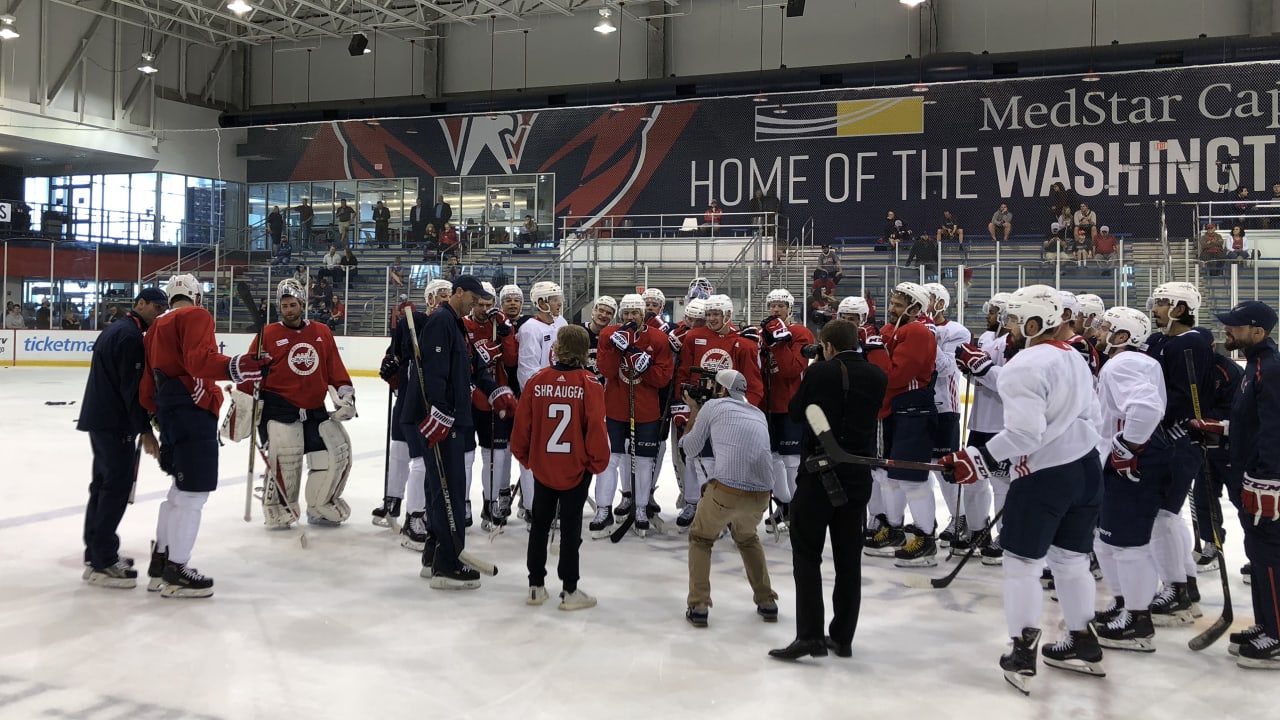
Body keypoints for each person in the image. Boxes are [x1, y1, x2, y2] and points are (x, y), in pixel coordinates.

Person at [940, 284, 1104, 694]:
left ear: (1034, 323)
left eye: (1013, 319)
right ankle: (1083, 641)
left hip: (1045, 478)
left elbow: (1025, 433)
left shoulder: (1024, 365)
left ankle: (1022, 652)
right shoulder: (1075, 357)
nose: (1007, 326)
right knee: (1070, 561)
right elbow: (1093, 418)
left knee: (1021, 566)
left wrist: (978, 457)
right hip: (1086, 472)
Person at [140, 274, 269, 598]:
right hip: (193, 412)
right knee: (193, 494)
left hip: (168, 414)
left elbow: (146, 384)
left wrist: (156, 416)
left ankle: (161, 563)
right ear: (196, 296)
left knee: (178, 491)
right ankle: (177, 570)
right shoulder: (196, 315)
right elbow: (199, 362)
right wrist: (243, 366)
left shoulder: (155, 327)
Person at [769, 320, 888, 659]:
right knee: (849, 561)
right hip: (857, 476)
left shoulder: (820, 373)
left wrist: (818, 368)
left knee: (807, 556)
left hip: (819, 475)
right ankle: (843, 637)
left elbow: (798, 411)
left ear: (828, 346)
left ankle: (810, 636)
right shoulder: (877, 376)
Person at [401, 276, 514, 589]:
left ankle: (433, 555)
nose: (476, 304)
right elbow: (434, 371)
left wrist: (496, 390)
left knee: (441, 488)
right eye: (473, 298)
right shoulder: (441, 321)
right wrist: (440, 410)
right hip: (443, 420)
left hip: (451, 418)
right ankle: (448, 565)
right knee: (448, 490)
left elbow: (473, 366)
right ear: (459, 292)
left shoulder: (456, 323)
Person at [1192, 300, 1280, 669]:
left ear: (1257, 332)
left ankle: (1276, 636)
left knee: (1271, 557)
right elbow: (1253, 422)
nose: (1228, 330)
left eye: (1236, 326)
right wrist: (1223, 429)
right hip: (1250, 473)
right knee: (1258, 556)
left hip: (1264, 481)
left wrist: (1268, 481)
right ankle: (1266, 624)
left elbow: (1275, 430)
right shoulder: (1255, 365)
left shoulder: (1271, 369)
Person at [237, 279, 356, 528]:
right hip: (279, 410)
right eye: (284, 305)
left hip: (315, 410)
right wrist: (243, 408)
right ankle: (278, 506)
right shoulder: (267, 335)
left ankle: (321, 504)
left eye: (293, 304)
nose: (288, 310)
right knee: (287, 458)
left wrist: (346, 396)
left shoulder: (322, 332)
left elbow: (335, 369)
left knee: (337, 453)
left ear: (302, 304)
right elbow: (250, 374)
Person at [512, 324, 610, 611]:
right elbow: (595, 429)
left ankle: (535, 586)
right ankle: (569, 590)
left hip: (543, 468)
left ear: (556, 348)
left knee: (539, 526)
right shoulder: (590, 383)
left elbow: (522, 429)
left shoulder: (536, 380)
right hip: (576, 469)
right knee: (570, 528)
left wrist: (528, 459)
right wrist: (596, 464)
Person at [76, 288, 168, 588]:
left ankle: (96, 552)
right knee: (115, 488)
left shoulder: (119, 329)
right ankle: (103, 561)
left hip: (101, 420)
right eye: (156, 307)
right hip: (114, 424)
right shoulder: (129, 337)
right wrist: (145, 430)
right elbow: (131, 391)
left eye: (163, 308)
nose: (160, 313)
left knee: (102, 486)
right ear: (140, 304)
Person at [1088, 306, 1166, 652]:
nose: (1098, 331)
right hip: (1128, 459)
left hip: (1131, 463)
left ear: (1123, 337)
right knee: (1107, 541)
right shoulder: (1133, 362)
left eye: (1106, 328)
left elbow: (1147, 408)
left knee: (1128, 545)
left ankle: (1138, 620)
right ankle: (1124, 604)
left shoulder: (1123, 363)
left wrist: (1125, 449)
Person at [676, 368, 778, 628]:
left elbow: (689, 448)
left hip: (727, 491)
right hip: (762, 495)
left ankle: (699, 604)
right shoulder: (758, 413)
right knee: (747, 537)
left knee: (700, 537)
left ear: (721, 389)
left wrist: (694, 412)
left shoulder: (713, 406)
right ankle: (767, 600)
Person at [1143, 281, 1215, 625]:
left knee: (1162, 516)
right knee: (1167, 515)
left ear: (1181, 309)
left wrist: (1173, 426)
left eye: (1162, 303)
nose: (1154, 309)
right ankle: (1186, 584)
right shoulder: (1163, 341)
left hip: (1178, 438)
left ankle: (1176, 589)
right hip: (1164, 437)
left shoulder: (1193, 342)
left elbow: (1183, 396)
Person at [862, 283, 940, 567]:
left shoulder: (917, 332)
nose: (892, 308)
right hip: (889, 412)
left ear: (916, 308)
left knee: (911, 479)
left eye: (898, 304)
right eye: (892, 302)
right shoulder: (888, 331)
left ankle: (925, 538)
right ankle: (894, 529)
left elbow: (893, 376)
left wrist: (873, 348)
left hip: (912, 411)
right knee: (887, 476)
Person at [594, 294, 675, 537]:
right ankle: (603, 509)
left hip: (646, 411)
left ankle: (640, 508)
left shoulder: (658, 337)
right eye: (626, 313)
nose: (630, 317)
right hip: (615, 409)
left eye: (635, 313)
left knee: (643, 461)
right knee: (610, 460)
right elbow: (606, 370)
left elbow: (663, 378)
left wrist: (645, 366)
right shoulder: (609, 335)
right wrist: (618, 350)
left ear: (643, 315)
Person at [952, 293, 1015, 565]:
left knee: (1002, 482)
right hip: (979, 422)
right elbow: (979, 372)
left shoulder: (1021, 347)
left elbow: (1011, 383)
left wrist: (979, 367)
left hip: (1004, 424)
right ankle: (978, 530)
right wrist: (967, 366)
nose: (990, 316)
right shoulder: (991, 341)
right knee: (973, 478)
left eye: (996, 312)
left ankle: (1006, 535)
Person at [755, 289, 815, 535]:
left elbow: (791, 370)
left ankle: (799, 508)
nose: (776, 310)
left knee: (792, 460)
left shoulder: (801, 333)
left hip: (790, 406)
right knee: (771, 459)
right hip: (765, 405)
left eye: (781, 305)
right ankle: (785, 504)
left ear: (790, 309)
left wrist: (779, 341)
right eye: (772, 306)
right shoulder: (761, 333)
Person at [463, 281, 519, 531]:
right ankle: (463, 502)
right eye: (480, 304)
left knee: (493, 455)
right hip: (467, 399)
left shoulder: (500, 325)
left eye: (489, 304)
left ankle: (490, 502)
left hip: (493, 401)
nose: (484, 309)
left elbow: (511, 360)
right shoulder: (463, 324)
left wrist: (506, 335)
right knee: (465, 456)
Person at [513, 281, 569, 525]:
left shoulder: (563, 324)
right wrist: (543, 399)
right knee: (533, 457)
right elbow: (527, 371)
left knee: (556, 457)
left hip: (563, 402)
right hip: (541, 403)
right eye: (554, 299)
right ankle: (533, 506)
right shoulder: (529, 329)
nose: (559, 303)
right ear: (542, 302)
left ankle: (552, 504)